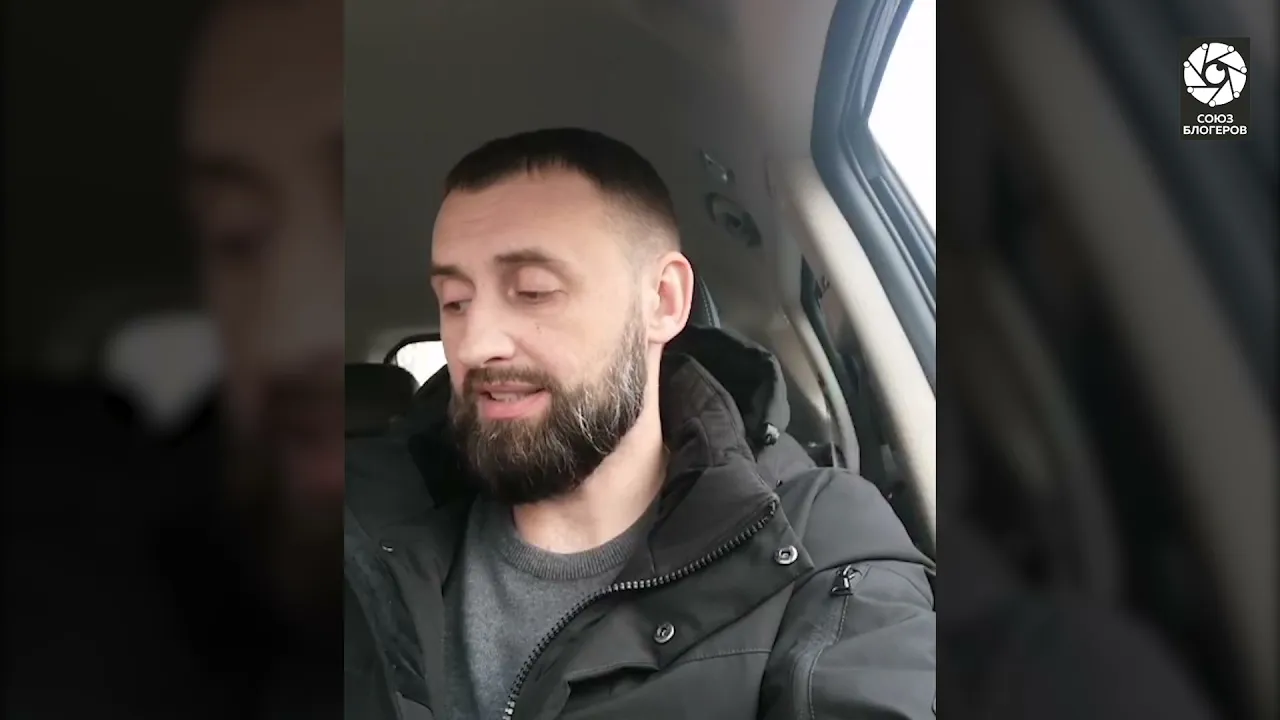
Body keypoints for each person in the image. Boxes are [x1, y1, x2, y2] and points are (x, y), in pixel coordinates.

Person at [345, 127, 937, 719]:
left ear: (662, 301)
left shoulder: (819, 544)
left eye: (533, 291)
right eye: (454, 301)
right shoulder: (356, 521)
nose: (474, 344)